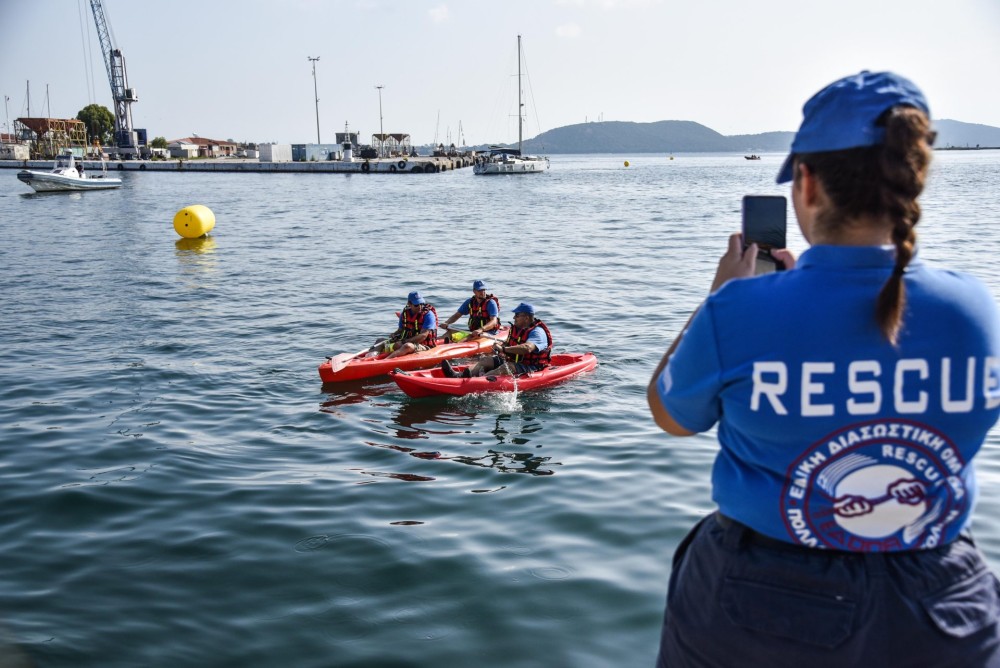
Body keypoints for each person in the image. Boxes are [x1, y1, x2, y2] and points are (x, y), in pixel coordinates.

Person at [647, 71, 1000, 666]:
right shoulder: (975, 309)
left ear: (806, 184)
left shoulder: (738, 310)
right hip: (944, 605)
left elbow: (671, 415)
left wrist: (720, 299)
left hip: (761, 602)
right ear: (913, 180)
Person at [441, 302, 551, 378]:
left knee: (505, 368)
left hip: (531, 367)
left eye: (517, 315)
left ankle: (477, 382)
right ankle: (460, 376)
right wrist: (500, 345)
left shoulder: (537, 332)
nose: (514, 318)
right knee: (485, 360)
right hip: (514, 360)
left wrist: (504, 349)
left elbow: (527, 348)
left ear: (526, 318)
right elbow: (510, 343)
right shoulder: (518, 329)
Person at [372, 291, 438, 359]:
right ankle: (368, 358)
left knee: (407, 346)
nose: (420, 307)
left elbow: (423, 336)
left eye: (421, 303)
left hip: (424, 345)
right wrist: (394, 334)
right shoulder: (405, 314)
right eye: (416, 305)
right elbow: (400, 330)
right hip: (407, 341)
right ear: (409, 303)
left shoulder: (428, 315)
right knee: (380, 341)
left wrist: (403, 342)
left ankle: (384, 361)